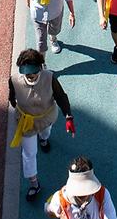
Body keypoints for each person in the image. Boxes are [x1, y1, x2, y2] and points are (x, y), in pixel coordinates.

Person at [8, 49, 76, 201]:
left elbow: (61, 97)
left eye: (32, 72)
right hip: (26, 124)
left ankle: (44, 139)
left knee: (45, 133)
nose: (29, 76)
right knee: (29, 154)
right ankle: (34, 184)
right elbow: (12, 96)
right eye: (26, 73)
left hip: (46, 118)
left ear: (40, 68)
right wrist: (17, 107)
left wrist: (68, 116)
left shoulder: (50, 78)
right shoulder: (14, 80)